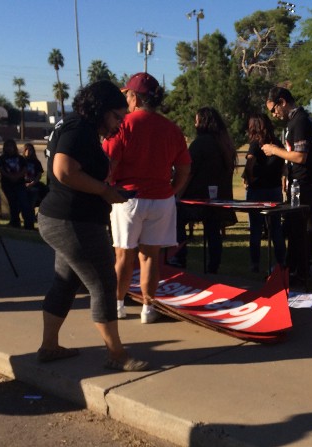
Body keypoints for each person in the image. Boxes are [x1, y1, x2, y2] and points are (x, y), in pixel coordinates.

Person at [37, 80, 147, 372]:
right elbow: (63, 170)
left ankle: (49, 347)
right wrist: (103, 190)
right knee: (103, 283)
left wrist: (104, 182)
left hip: (62, 219)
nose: (118, 124)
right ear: (100, 110)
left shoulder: (73, 125)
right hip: (73, 222)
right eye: (116, 117)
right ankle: (117, 355)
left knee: (66, 281)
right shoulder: (79, 128)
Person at [103, 72, 191, 323]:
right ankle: (148, 309)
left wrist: (107, 188)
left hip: (128, 198)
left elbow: (109, 163)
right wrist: (173, 190)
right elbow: (184, 168)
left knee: (123, 255)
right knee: (150, 256)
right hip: (161, 198)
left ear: (135, 97)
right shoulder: (172, 128)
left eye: (128, 95)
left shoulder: (124, 124)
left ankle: (118, 306)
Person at [263, 86, 312, 281]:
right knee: (295, 227)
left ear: (282, 102)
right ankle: (295, 267)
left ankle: (300, 270)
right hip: (300, 181)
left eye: (274, 109)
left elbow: (300, 156)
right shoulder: (296, 120)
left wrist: (274, 150)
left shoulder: (299, 121)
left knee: (299, 228)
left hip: (304, 182)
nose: (273, 114)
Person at [178, 106, 236, 275]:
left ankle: (179, 258)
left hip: (197, 197)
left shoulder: (200, 143)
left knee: (176, 219)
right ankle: (213, 267)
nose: (194, 124)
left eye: (196, 120)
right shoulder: (224, 142)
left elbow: (189, 171)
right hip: (217, 198)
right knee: (213, 231)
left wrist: (178, 194)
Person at [242, 112, 285, 272]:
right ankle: (281, 261)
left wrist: (249, 178)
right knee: (276, 229)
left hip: (258, 191)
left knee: (255, 228)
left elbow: (250, 163)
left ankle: (255, 263)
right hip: (274, 190)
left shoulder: (255, 143)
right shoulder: (277, 143)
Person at [0, 138, 33, 230]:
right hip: (7, 183)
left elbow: (24, 169)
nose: (10, 148)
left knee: (24, 203)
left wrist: (17, 176)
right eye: (8, 146)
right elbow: (1, 170)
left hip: (20, 183)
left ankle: (28, 224)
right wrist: (10, 177)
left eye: (11, 146)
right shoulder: (1, 158)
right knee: (12, 204)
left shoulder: (20, 158)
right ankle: (15, 222)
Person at [22, 142, 46, 212]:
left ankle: (33, 213)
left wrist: (32, 183)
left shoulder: (36, 162)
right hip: (22, 184)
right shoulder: (21, 161)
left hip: (34, 184)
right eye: (26, 150)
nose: (28, 152)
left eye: (30, 150)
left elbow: (39, 175)